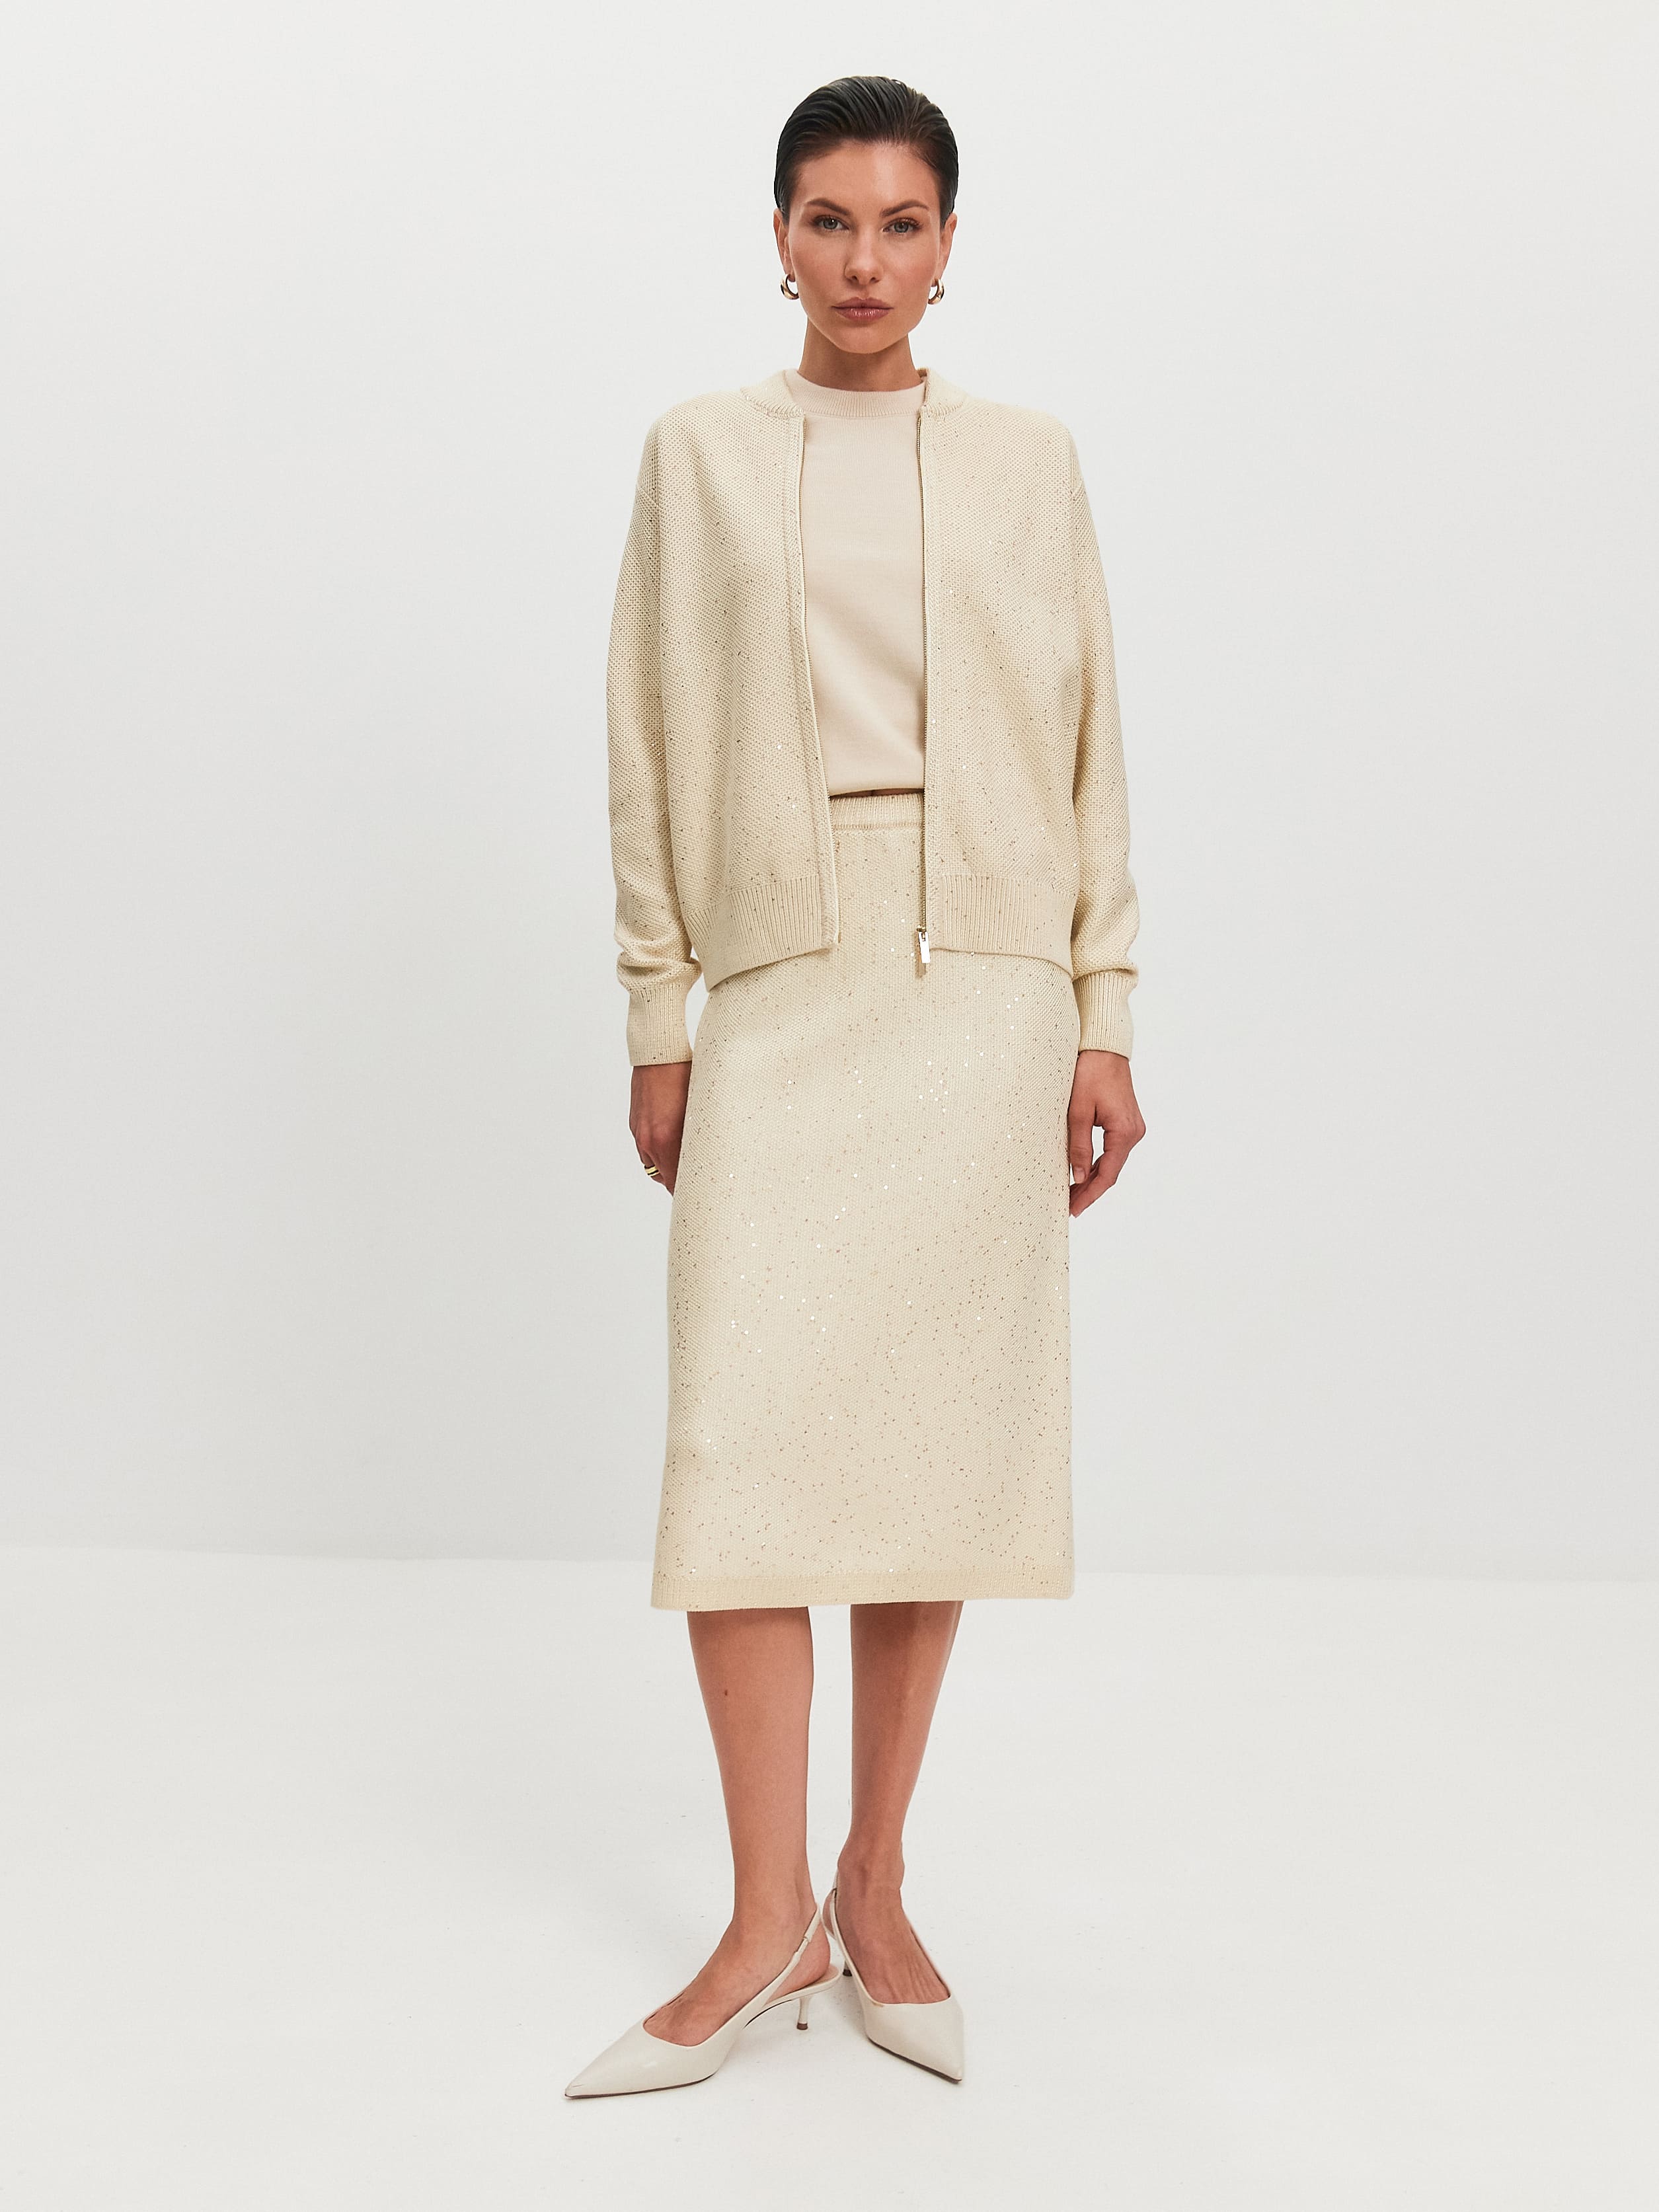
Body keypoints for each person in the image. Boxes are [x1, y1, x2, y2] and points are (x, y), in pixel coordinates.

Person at [566, 73, 1144, 2099]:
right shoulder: (701, 456)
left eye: (903, 224)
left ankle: (872, 1885)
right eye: (829, 221)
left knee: (925, 1449)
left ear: (952, 244)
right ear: (779, 238)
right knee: (737, 1450)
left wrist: (1103, 1004)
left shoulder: (1029, 461)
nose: (865, 261)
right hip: (782, 973)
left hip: (979, 978)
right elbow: (645, 736)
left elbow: (1092, 739)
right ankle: (762, 1921)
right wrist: (660, 1015)